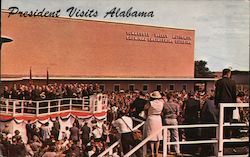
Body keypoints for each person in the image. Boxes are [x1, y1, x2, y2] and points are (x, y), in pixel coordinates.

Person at [215, 68, 237, 138]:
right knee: (228, 121)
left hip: (221, 104)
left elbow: (217, 94)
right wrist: (234, 105)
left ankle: (222, 136)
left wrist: (216, 104)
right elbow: (234, 95)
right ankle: (228, 136)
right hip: (230, 104)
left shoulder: (219, 82)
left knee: (221, 121)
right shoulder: (233, 82)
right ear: (228, 74)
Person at [144, 91, 164, 157]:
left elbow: (145, 108)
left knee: (151, 136)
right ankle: (157, 151)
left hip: (151, 118)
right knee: (158, 136)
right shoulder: (161, 103)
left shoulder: (150, 103)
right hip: (158, 118)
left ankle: (152, 152)